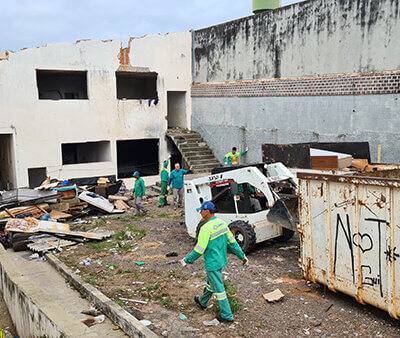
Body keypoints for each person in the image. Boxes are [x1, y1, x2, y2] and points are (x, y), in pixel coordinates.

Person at [181, 201, 248, 323]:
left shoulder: (205, 228)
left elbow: (199, 249)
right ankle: (202, 301)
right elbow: (233, 243)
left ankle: (227, 315)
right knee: (210, 283)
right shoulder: (222, 223)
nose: (200, 212)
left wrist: (187, 260)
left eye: (201, 210)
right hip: (221, 261)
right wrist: (242, 256)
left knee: (219, 290)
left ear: (207, 211)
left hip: (212, 264)